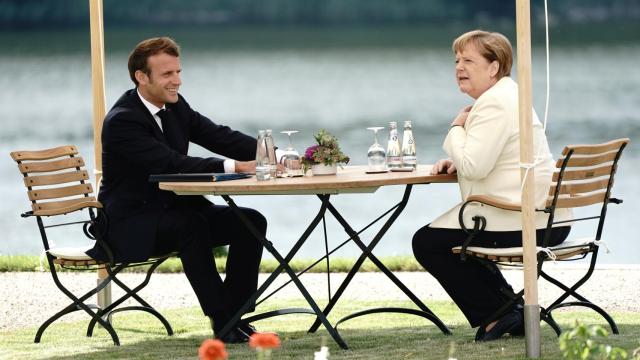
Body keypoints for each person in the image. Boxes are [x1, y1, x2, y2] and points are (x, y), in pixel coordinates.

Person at [86, 37, 270, 343]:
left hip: (173, 211)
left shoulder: (174, 106)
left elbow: (218, 136)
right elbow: (170, 163)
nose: (177, 81)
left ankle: (236, 315)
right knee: (191, 226)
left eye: (178, 72)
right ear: (141, 77)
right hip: (129, 224)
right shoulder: (123, 121)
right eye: (168, 74)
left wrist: (270, 152)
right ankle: (223, 320)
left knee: (250, 221)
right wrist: (237, 167)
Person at [411, 30, 572, 341]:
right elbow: (495, 157)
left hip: (524, 221)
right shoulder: (509, 96)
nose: (459, 66)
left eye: (469, 60)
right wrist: (460, 159)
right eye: (457, 60)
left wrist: (457, 127)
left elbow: (475, 165)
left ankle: (495, 316)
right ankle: (508, 311)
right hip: (550, 218)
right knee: (454, 241)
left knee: (428, 243)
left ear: (494, 67)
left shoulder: (494, 103)